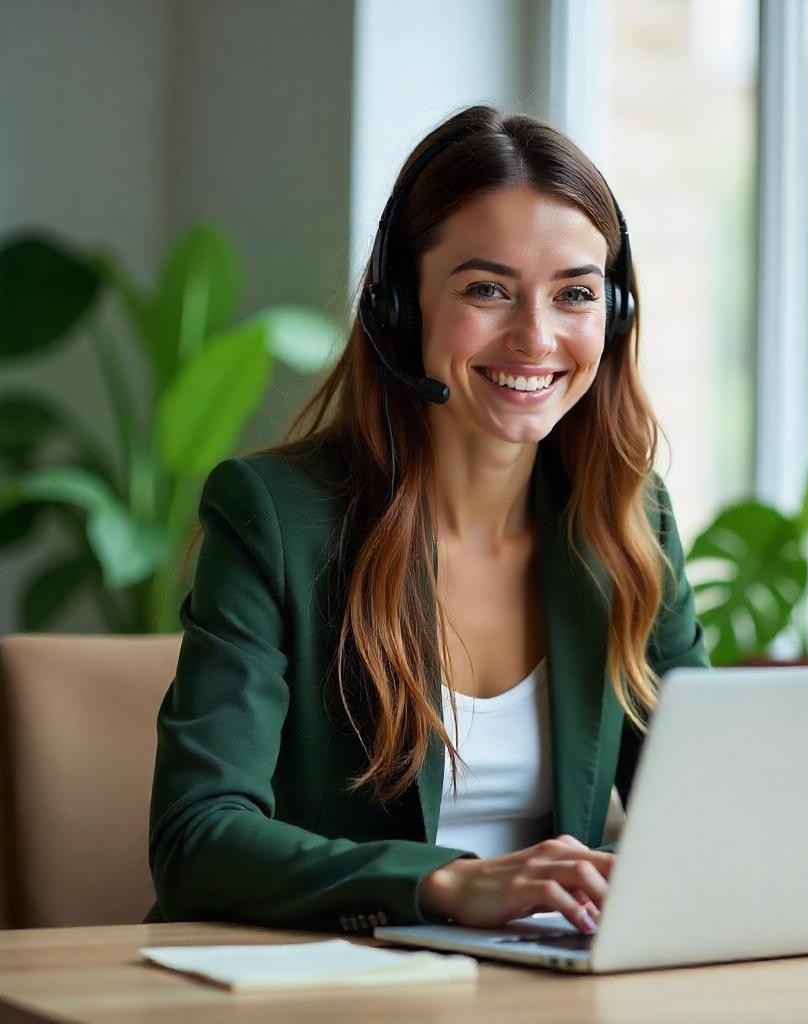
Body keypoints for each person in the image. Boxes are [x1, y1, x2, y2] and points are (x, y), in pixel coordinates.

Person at [146, 104, 710, 939]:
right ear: (399, 309)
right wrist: (447, 882)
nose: (536, 336)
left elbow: (700, 807)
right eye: (488, 289)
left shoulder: (625, 522)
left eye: (576, 295)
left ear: (613, 316)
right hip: (323, 987)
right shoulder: (275, 519)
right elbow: (197, 838)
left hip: (538, 991)